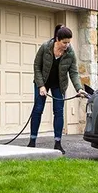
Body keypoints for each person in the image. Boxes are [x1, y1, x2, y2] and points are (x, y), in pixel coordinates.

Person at [29, 24, 86, 154]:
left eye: (69, 42)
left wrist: (79, 89)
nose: (67, 45)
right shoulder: (45, 47)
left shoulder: (70, 53)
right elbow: (37, 66)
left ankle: (58, 143)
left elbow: (74, 73)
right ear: (57, 39)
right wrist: (41, 86)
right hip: (42, 82)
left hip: (59, 85)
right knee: (38, 109)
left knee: (59, 112)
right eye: (64, 42)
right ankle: (32, 141)